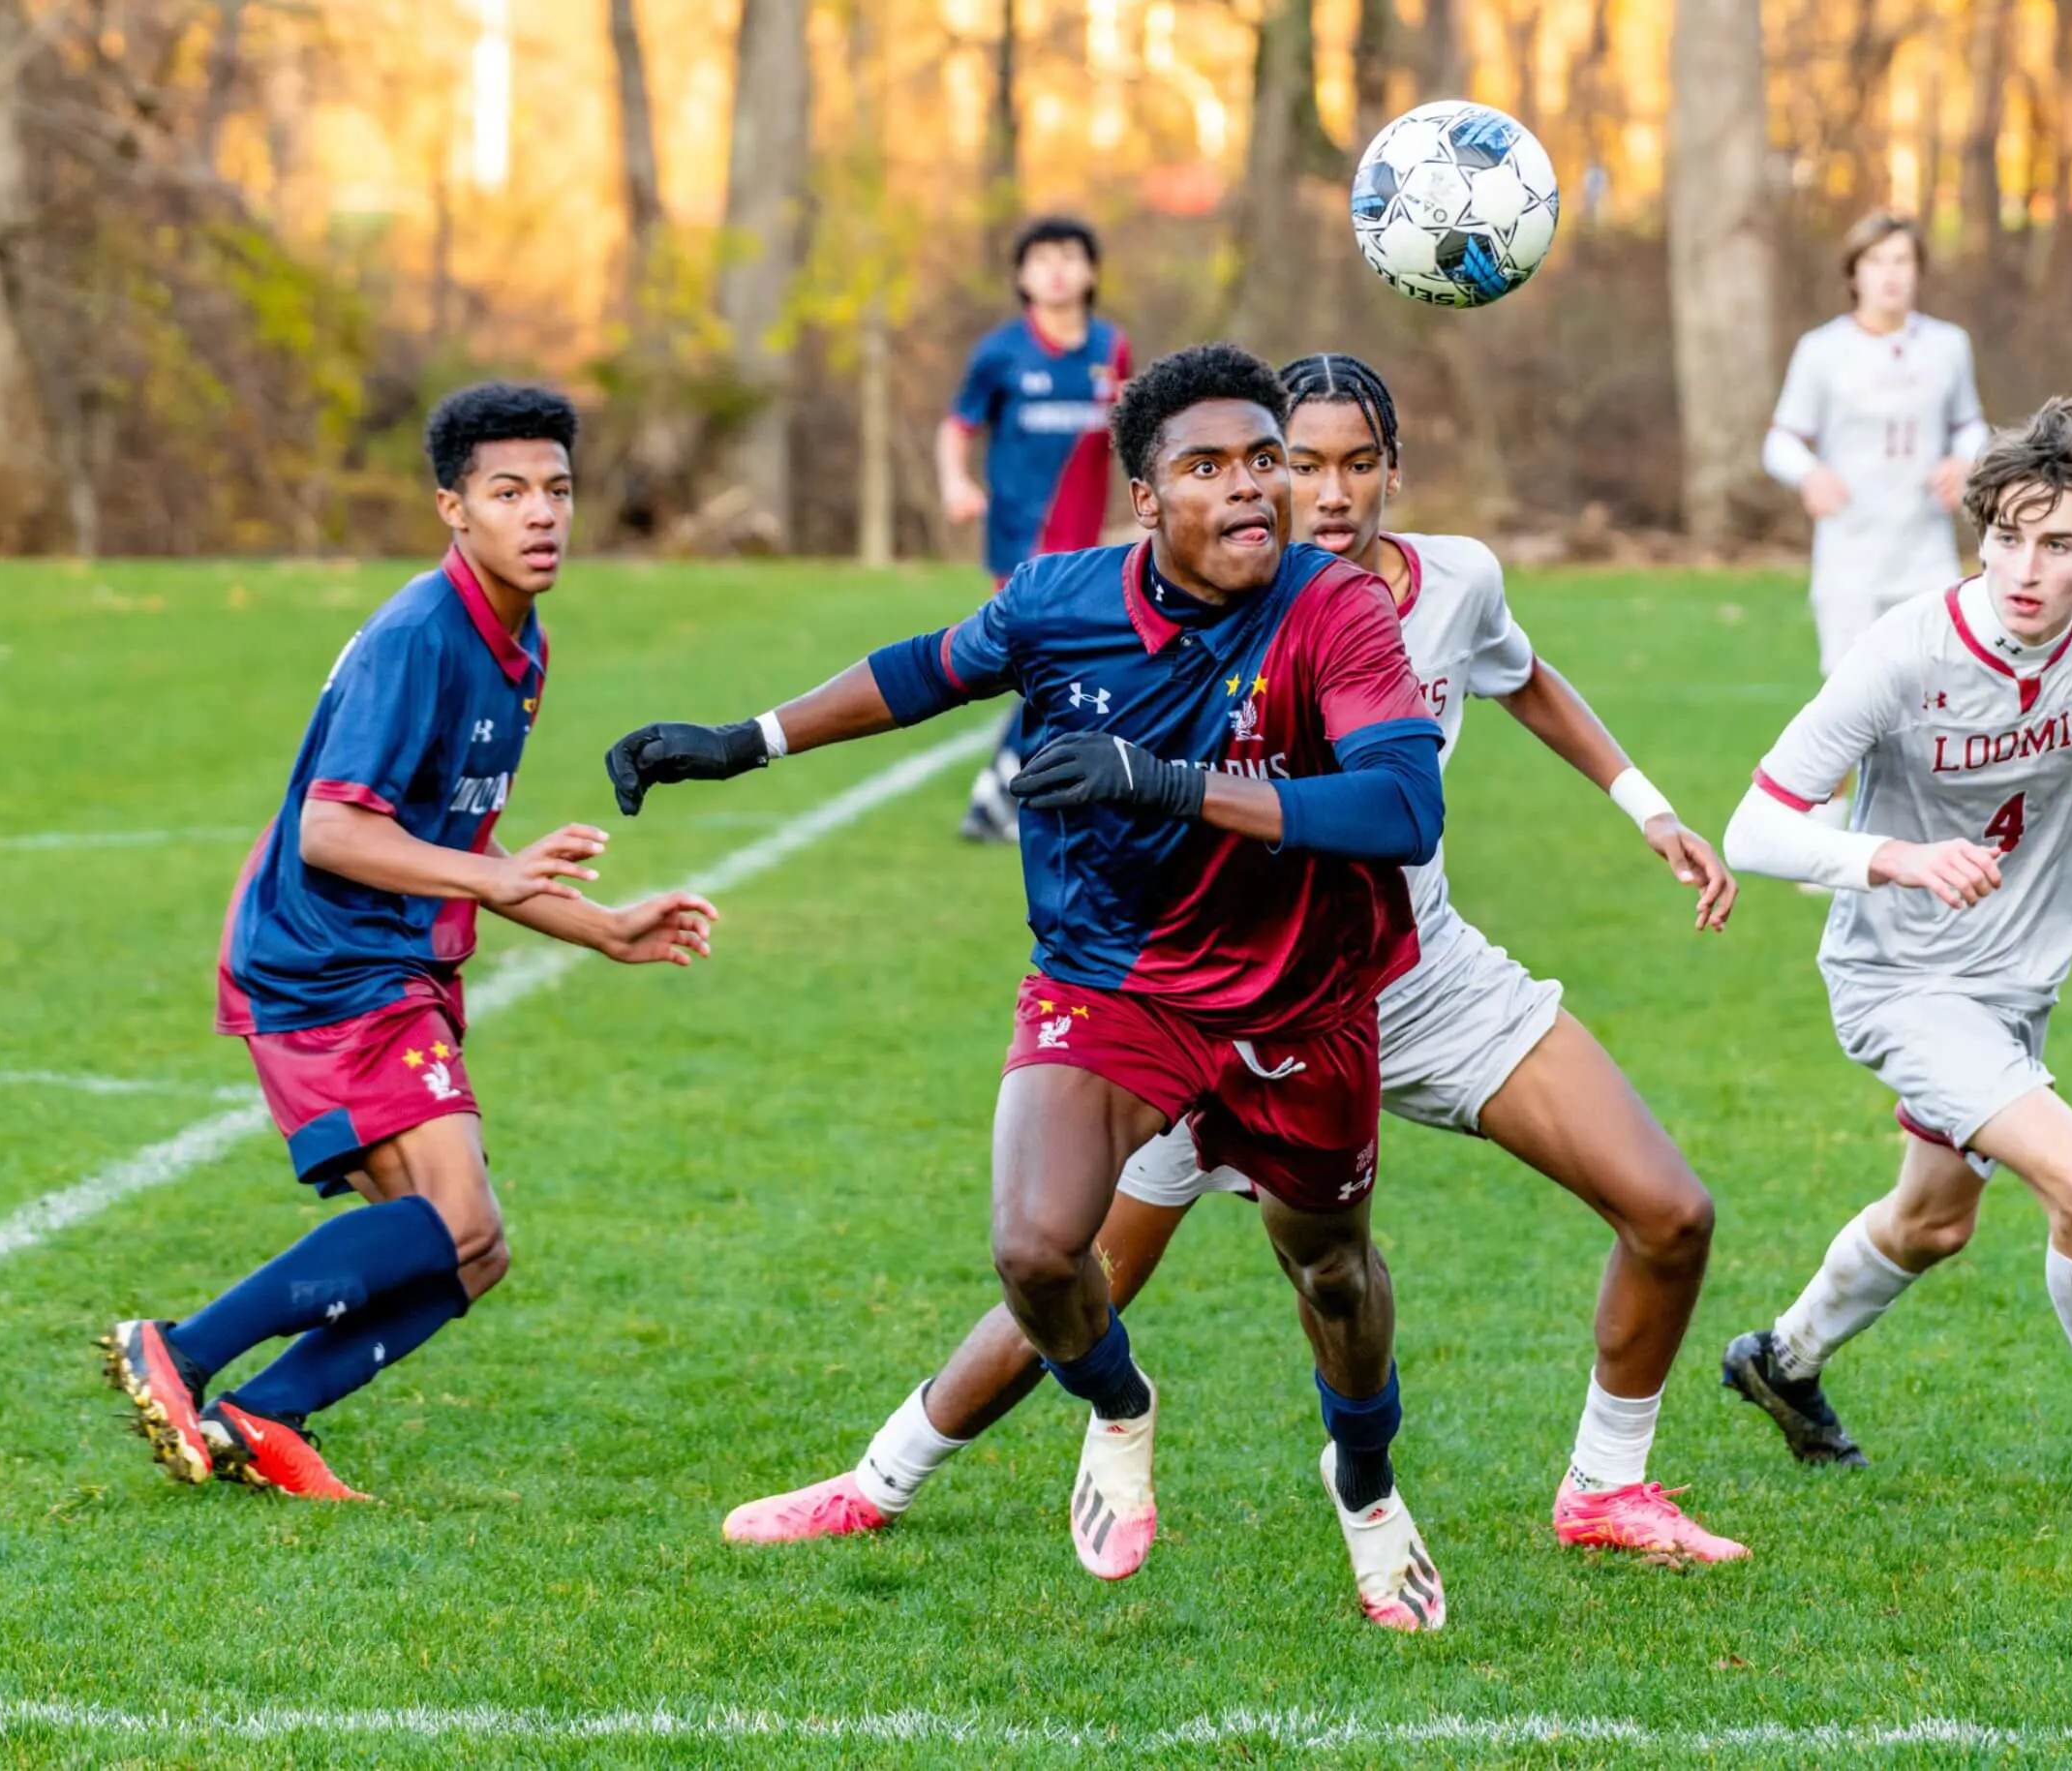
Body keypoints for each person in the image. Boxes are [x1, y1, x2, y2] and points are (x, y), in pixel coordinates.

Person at [719, 351, 1753, 1576]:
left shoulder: (1449, 581)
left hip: (1409, 981)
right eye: (1293, 459)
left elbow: (1520, 683)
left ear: (1391, 472)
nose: (1322, 488)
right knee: (1064, 1262)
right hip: (1198, 988)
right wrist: (750, 741)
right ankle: (881, 1476)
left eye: (1348, 462)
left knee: (1662, 1211)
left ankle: (1599, 1486)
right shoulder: (1191, 590)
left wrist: (1643, 800)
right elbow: (962, 659)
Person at [607, 345, 1453, 1628]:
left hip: (1298, 998)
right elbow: (923, 670)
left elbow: (1402, 804)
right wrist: (745, 742)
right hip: (1114, 977)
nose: (1251, 492)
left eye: (1266, 463)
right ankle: (1119, 1404)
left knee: (1332, 1272)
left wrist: (1163, 783)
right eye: (1208, 467)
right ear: (1144, 498)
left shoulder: (1332, 608)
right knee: (1036, 1249)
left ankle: (1369, 1482)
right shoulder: (1062, 601)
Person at [103, 383, 718, 1502]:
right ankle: (180, 1352)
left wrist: (605, 929)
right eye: (508, 491)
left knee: (473, 1250)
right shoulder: (417, 640)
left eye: (559, 490)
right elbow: (334, 830)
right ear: (452, 508)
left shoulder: (517, 645)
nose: (542, 514)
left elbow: (458, 843)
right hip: (326, 959)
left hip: (390, 956)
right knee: (456, 1219)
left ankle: (262, 1414)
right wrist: (491, 875)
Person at [1717, 397, 2072, 1527]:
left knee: (1934, 1220)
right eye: (2005, 536)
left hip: (2015, 985)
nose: (2023, 568)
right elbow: (1754, 825)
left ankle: (1780, 1360)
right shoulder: (1906, 648)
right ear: (1978, 529)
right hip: (1901, 979)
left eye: (2057, 544)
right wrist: (1894, 857)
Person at [1764, 211, 1990, 833]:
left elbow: (1971, 423)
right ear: (1854, 273)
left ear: (1918, 272)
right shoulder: (1822, 350)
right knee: (1846, 698)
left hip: (1924, 554)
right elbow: (1780, 440)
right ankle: (1823, 828)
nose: (1891, 276)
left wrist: (1963, 458)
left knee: (1936, 694)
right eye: (1877, 262)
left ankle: (1925, 828)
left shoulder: (1948, 345)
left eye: (1903, 262)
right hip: (1850, 556)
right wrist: (1809, 473)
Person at [936, 215, 1132, 842]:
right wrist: (955, 483)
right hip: (1020, 542)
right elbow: (956, 426)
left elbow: (1133, 434)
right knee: (1052, 661)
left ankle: (1004, 794)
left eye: (1070, 256)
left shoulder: (1111, 349)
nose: (1056, 269)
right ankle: (1007, 796)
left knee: (1059, 668)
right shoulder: (1000, 353)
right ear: (1021, 275)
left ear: (1091, 272)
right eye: (1041, 258)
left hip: (1087, 547)